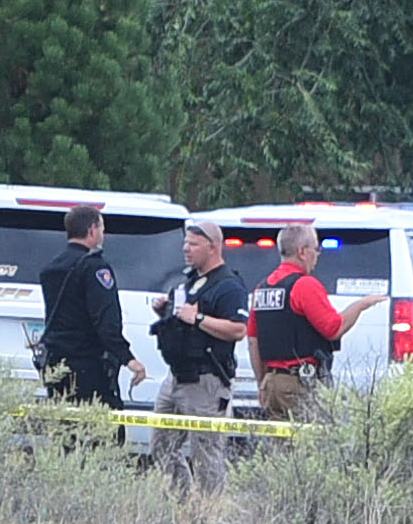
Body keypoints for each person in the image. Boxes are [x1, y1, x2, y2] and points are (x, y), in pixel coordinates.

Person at [245, 223, 385, 420]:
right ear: (302, 252)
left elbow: (253, 341)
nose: (317, 256)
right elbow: (333, 328)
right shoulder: (304, 285)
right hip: (299, 383)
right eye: (316, 249)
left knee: (278, 447)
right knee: (308, 447)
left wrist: (262, 381)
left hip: (271, 383)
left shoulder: (262, 288)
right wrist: (361, 305)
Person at [147, 219, 247, 492]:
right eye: (185, 243)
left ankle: (210, 516)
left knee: (206, 457)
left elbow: (238, 329)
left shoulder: (229, 286)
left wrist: (199, 318)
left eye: (193, 244)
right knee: (161, 448)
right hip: (176, 377)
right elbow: (184, 322)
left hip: (207, 381)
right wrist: (166, 312)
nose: (186, 249)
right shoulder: (188, 282)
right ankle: (183, 505)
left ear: (213, 247)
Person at [37, 205, 147, 411]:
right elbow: (106, 321)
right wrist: (128, 359)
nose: (102, 234)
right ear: (92, 230)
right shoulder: (94, 267)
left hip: (55, 364)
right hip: (87, 366)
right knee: (103, 432)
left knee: (65, 428)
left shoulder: (51, 268)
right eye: (102, 228)